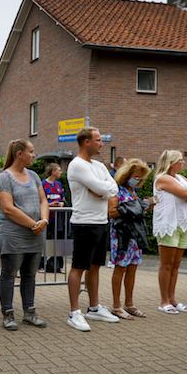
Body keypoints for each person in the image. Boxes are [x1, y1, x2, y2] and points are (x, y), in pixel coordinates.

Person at [66, 127, 119, 331]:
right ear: (87, 142)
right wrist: (101, 189)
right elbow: (103, 188)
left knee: (96, 266)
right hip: (84, 223)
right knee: (79, 267)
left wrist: (101, 190)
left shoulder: (97, 165)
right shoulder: (77, 165)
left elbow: (112, 187)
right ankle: (74, 313)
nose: (102, 144)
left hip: (101, 222)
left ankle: (94, 308)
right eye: (98, 140)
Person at [0, 139, 48, 330]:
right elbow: (8, 209)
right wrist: (35, 224)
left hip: (34, 235)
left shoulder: (34, 176)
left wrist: (44, 221)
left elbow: (44, 201)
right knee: (9, 275)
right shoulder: (4, 178)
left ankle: (29, 313)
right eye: (31, 151)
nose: (34, 155)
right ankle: (7, 314)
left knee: (30, 275)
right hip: (13, 235)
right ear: (20, 154)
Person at [153, 150, 187, 314]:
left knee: (176, 264)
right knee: (167, 265)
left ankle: (172, 298)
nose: (183, 162)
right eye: (180, 160)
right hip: (169, 223)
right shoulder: (163, 178)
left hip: (183, 224)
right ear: (171, 162)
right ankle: (164, 300)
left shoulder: (181, 178)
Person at [107, 158, 152, 320]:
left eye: (141, 178)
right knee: (121, 267)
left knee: (132, 267)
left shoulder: (132, 191)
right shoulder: (115, 189)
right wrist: (136, 207)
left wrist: (144, 206)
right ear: (127, 174)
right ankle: (116, 306)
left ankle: (129, 303)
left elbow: (134, 211)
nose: (138, 180)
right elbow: (111, 212)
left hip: (135, 234)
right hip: (121, 235)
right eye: (136, 176)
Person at [41, 162, 67, 274]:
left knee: (59, 242)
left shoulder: (59, 185)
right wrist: (49, 205)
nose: (61, 172)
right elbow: (40, 201)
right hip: (46, 218)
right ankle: (41, 265)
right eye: (59, 170)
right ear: (53, 172)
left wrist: (61, 203)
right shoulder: (43, 184)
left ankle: (59, 265)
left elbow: (63, 198)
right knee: (44, 241)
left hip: (58, 219)